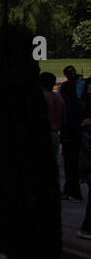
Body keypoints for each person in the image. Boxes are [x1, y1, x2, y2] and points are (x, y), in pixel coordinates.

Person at [60, 67, 84, 201]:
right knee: (74, 165)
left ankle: (72, 190)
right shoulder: (78, 104)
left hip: (69, 136)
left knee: (70, 165)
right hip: (77, 136)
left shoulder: (68, 106)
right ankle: (72, 189)